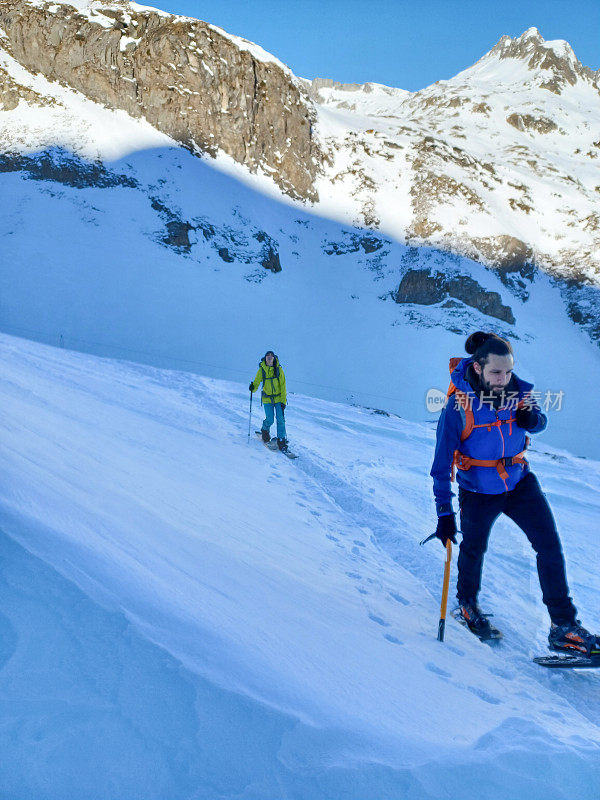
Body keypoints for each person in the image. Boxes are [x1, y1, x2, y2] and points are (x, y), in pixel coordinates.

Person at [430, 331, 596, 655]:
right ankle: (467, 604)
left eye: (508, 371)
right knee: (474, 549)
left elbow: (539, 424)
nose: (503, 379)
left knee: (548, 546)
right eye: (496, 372)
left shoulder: (518, 392)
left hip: (520, 482)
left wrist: (532, 418)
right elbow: (440, 466)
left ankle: (563, 627)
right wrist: (444, 513)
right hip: (478, 489)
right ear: (477, 368)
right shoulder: (458, 406)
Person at [249, 351, 289, 453]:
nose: (270, 357)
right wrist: (253, 388)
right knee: (270, 419)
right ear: (265, 358)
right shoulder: (262, 369)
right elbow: (257, 381)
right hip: (267, 399)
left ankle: (281, 440)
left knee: (280, 419)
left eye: (271, 356)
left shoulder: (279, 370)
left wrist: (283, 401)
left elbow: (283, 386)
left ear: (274, 358)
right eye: (268, 356)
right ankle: (265, 431)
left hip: (279, 399)